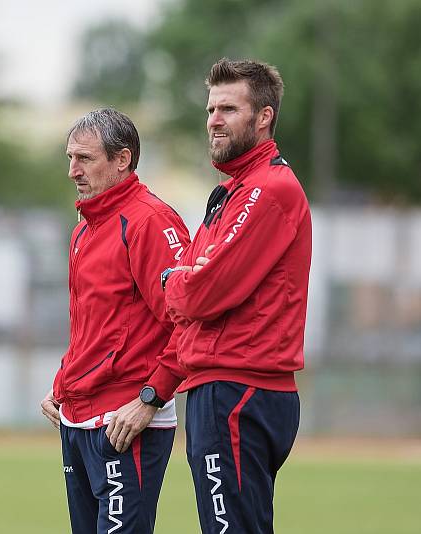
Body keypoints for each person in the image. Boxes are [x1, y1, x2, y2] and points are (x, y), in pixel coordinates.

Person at [161, 58, 312, 533]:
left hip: (239, 389)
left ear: (263, 117)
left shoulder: (267, 190)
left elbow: (200, 293)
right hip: (222, 386)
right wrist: (188, 279)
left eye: (228, 108)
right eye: (210, 109)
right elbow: (196, 278)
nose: (214, 120)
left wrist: (174, 281)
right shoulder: (232, 192)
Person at [40, 108, 190, 534]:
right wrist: (63, 384)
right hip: (76, 419)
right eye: (70, 158)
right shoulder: (83, 230)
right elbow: (94, 326)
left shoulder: (150, 222)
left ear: (122, 160)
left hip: (126, 423)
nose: (72, 171)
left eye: (84, 159)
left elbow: (190, 323)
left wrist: (150, 398)